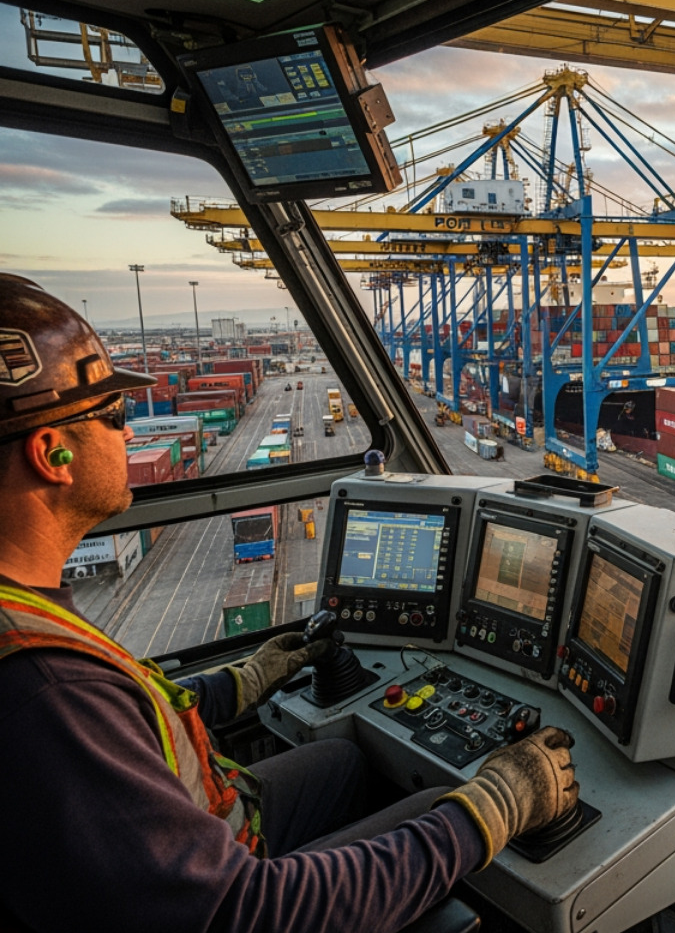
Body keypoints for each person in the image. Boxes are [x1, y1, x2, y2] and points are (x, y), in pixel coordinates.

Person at [0, 274, 579, 932]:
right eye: (114, 415)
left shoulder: (29, 615)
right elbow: (243, 913)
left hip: (209, 826)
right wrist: (492, 808)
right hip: (232, 887)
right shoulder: (47, 690)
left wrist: (240, 682)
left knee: (347, 761)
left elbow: (135, 720)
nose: (129, 435)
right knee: (449, 805)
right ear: (52, 453)